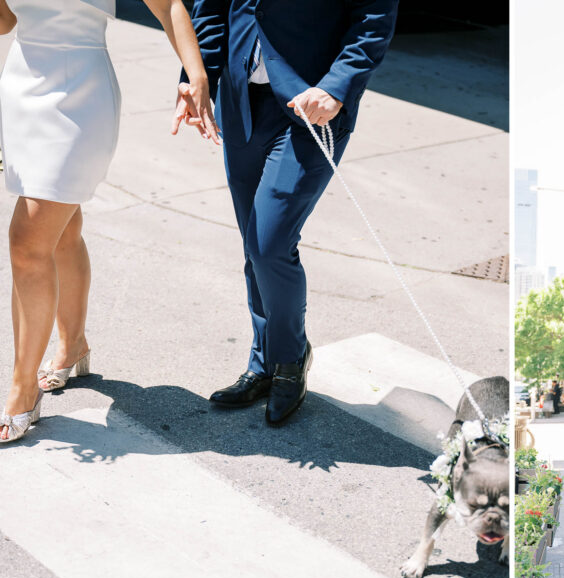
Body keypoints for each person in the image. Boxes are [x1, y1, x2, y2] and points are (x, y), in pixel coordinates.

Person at [0, 0, 217, 443]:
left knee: (27, 242)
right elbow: (7, 20)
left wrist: (195, 74)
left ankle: (22, 391)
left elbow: (170, 4)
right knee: (62, 232)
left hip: (80, 96)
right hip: (22, 88)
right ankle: (73, 345)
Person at [178, 0, 399, 425]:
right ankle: (263, 363)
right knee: (253, 242)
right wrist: (196, 81)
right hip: (240, 99)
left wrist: (337, 86)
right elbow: (209, 10)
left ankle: (290, 361)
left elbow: (373, 18)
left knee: (269, 243)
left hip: (312, 106)